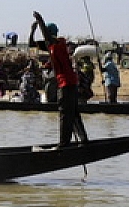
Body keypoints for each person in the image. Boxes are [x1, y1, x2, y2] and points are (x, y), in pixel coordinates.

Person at [30, 12, 88, 146]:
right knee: (73, 112)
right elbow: (31, 43)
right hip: (68, 83)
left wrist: (40, 21)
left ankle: (64, 143)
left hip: (66, 83)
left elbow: (47, 37)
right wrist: (33, 30)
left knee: (65, 113)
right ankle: (83, 139)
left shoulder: (59, 43)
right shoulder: (50, 45)